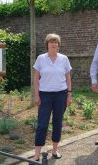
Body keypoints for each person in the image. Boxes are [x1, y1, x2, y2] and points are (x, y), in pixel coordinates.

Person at [31, 33, 72, 162]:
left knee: (57, 123)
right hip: (45, 95)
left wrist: (69, 94)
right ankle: (37, 154)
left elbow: (68, 77)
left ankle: (54, 150)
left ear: (58, 45)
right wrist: (36, 95)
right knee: (42, 124)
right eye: (51, 42)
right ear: (47, 45)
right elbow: (36, 78)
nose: (54, 44)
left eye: (56, 42)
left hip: (61, 95)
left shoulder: (64, 59)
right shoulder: (41, 58)